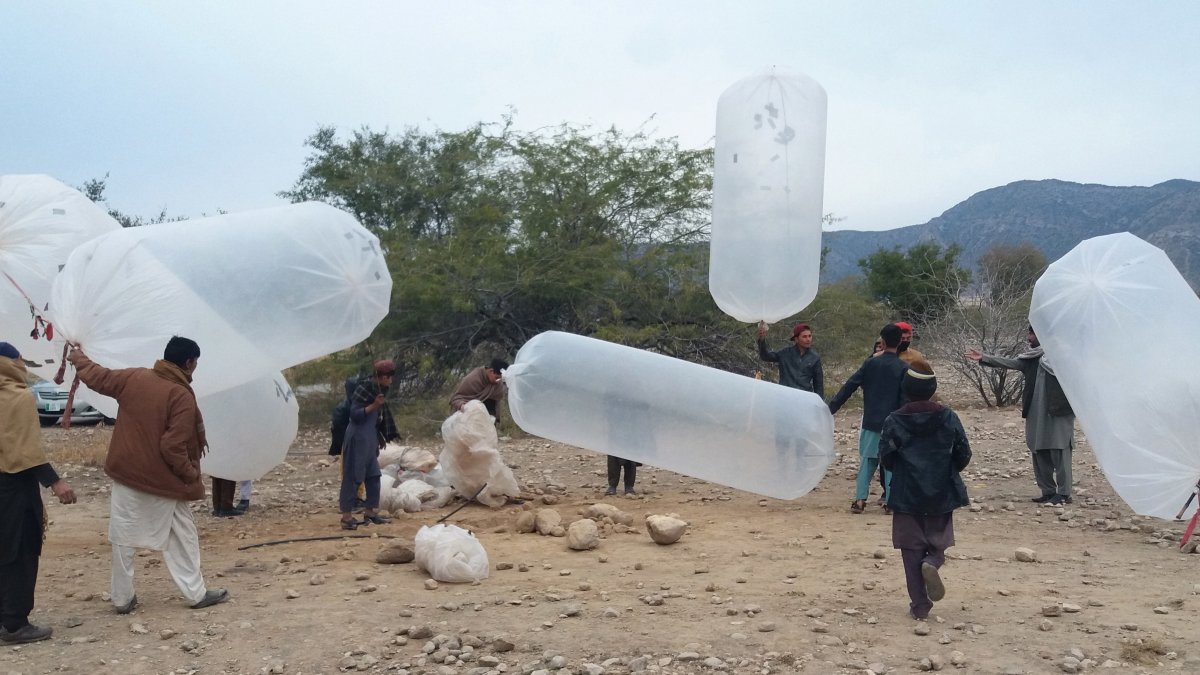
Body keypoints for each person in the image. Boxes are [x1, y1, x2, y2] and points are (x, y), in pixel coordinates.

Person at [67, 337, 228, 613]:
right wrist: (190, 474)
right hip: (164, 481)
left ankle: (122, 598)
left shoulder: (135, 377)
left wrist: (78, 358)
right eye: (196, 363)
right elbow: (172, 446)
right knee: (183, 537)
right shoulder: (180, 395)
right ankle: (196, 593)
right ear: (189, 363)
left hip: (126, 473)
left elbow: (98, 377)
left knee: (123, 537)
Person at [879, 366, 971, 620]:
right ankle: (933, 561)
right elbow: (964, 452)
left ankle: (920, 606)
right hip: (941, 489)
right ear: (932, 391)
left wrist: (899, 471)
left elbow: (886, 457)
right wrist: (947, 470)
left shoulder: (895, 419)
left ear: (906, 390)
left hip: (906, 491)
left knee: (910, 548)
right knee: (938, 539)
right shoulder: (948, 416)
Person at [0, 342, 77, 644]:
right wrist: (56, 482)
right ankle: (16, 623)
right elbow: (24, 452)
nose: (22, 364)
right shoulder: (18, 397)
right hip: (14, 487)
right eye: (19, 359)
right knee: (21, 550)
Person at [967, 326, 1075, 504]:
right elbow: (1010, 363)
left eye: (1032, 334)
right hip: (1035, 414)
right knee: (1038, 450)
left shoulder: (1065, 358)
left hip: (1059, 414)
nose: (1028, 338)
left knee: (1060, 450)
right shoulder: (1032, 359)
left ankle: (1064, 494)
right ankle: (1048, 491)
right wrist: (984, 358)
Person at [827, 324, 909, 513]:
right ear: (899, 343)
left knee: (868, 461)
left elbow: (850, 386)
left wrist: (831, 408)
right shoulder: (903, 367)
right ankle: (890, 501)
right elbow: (905, 398)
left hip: (871, 421)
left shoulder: (870, 363)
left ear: (883, 341)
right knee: (891, 463)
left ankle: (860, 500)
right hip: (894, 423)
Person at [339, 359, 400, 530]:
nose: (391, 380)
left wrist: (378, 437)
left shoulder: (380, 390)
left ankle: (370, 513)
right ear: (383, 377)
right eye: (389, 377)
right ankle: (346, 517)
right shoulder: (364, 389)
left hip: (370, 438)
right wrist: (374, 405)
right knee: (353, 477)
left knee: (373, 476)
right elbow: (355, 415)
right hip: (358, 438)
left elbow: (377, 419)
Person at [756, 322, 824, 395]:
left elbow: (818, 385)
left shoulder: (815, 358)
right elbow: (765, 356)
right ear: (796, 339)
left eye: (809, 336)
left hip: (804, 398)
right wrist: (762, 339)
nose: (808, 339)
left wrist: (819, 402)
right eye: (804, 337)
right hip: (785, 396)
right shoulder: (785, 353)